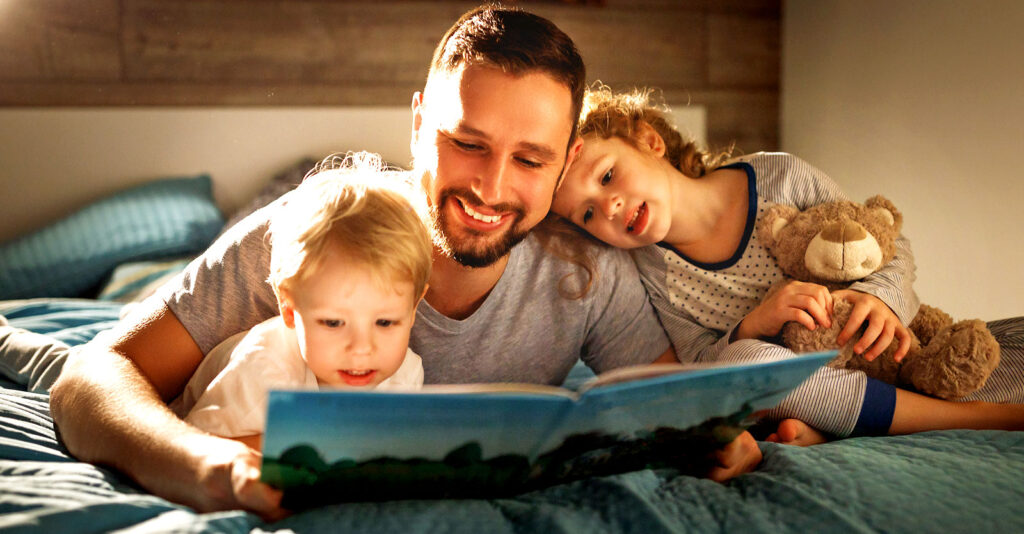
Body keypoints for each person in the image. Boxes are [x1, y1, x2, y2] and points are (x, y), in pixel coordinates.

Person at [46, 6, 761, 519]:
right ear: (419, 124)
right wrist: (206, 464)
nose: (490, 187)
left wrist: (718, 439)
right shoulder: (321, 224)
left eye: (530, 159)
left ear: (567, 160)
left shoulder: (590, 269)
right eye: (468, 143)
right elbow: (89, 381)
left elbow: (682, 408)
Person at [550, 84, 1024, 445]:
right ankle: (976, 420)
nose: (607, 207)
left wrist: (878, 299)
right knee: (749, 364)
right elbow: (700, 364)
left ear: (649, 141)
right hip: (798, 382)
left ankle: (837, 426)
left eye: (607, 175)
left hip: (877, 351)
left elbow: (888, 246)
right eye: (587, 214)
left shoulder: (779, 175)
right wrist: (754, 323)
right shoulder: (650, 272)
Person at [174, 154, 429, 452]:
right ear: (290, 309)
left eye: (385, 322)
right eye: (333, 323)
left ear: (413, 308)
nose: (361, 348)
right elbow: (192, 451)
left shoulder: (406, 375)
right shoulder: (262, 373)